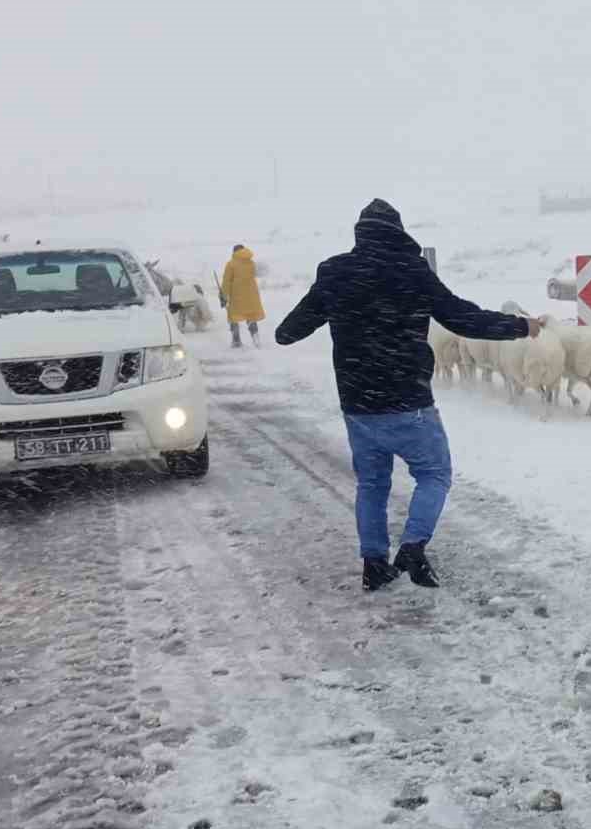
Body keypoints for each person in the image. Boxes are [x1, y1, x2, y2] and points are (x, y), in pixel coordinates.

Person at [276, 199, 541, 591]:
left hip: (358, 405)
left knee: (372, 484)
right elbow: (462, 317)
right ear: (399, 232)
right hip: (407, 400)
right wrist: (520, 326)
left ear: (360, 234)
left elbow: (287, 332)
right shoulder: (412, 270)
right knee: (434, 474)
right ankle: (413, 547)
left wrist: (328, 312)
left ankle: (373, 563)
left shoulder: (334, 272)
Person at [220, 244, 266, 348]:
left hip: (237, 296)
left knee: (233, 317)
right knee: (251, 316)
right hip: (252, 295)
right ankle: (255, 337)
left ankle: (236, 340)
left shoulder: (231, 264)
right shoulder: (251, 263)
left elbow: (226, 282)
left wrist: (223, 295)